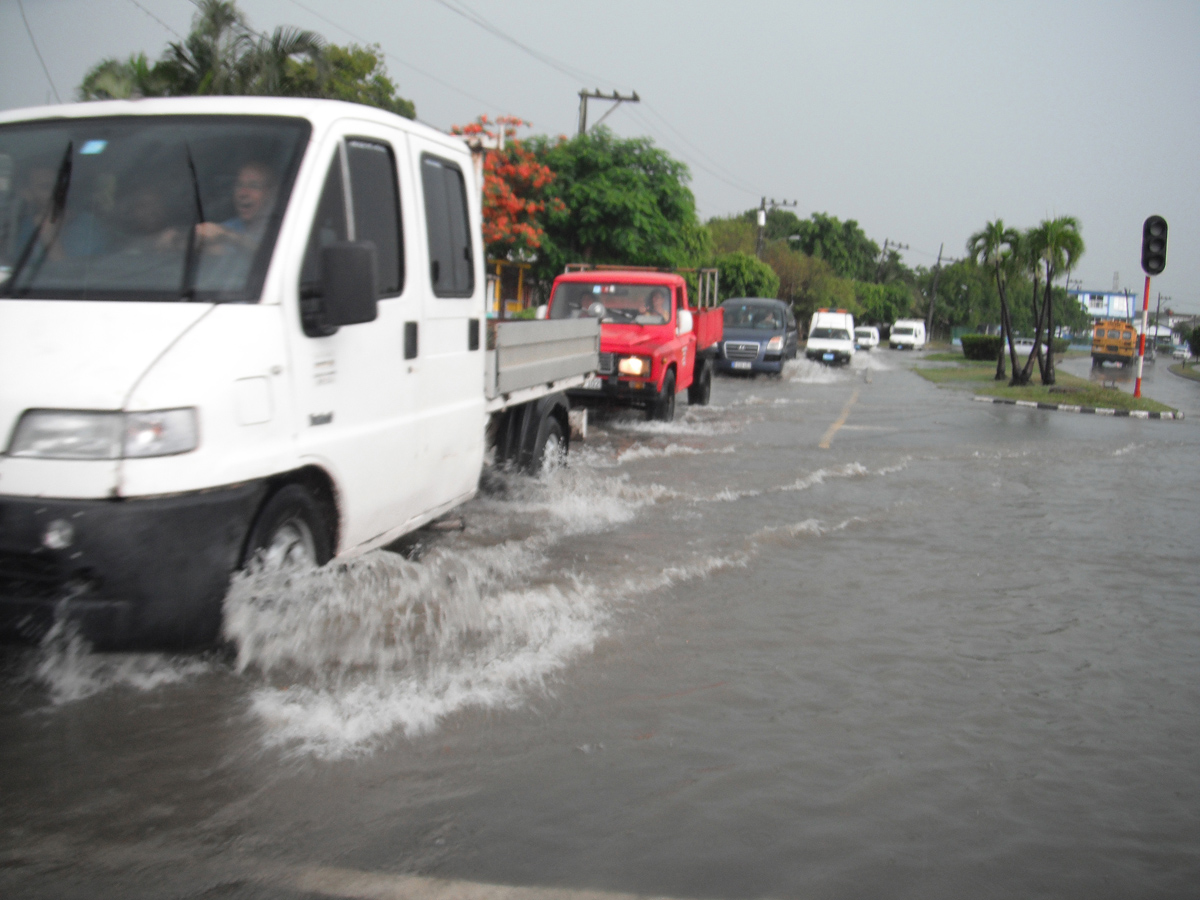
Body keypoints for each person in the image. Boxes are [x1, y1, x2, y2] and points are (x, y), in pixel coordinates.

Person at [194, 161, 276, 253]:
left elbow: (269, 254)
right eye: (239, 185)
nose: (243, 193)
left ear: (270, 194)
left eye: (254, 186)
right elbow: (210, 250)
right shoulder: (232, 226)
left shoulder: (284, 229)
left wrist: (229, 237)